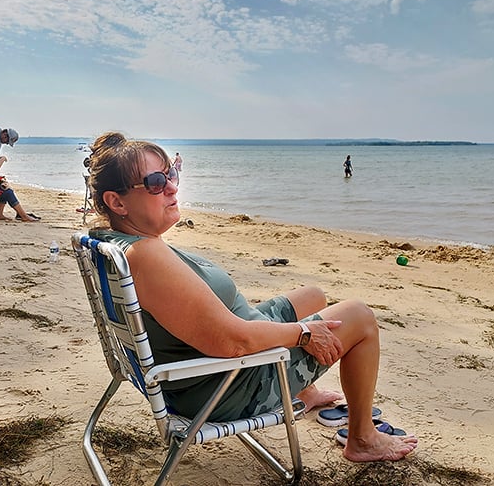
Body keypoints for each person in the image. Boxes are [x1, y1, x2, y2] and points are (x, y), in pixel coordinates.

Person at [86, 132, 417, 462]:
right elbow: (233, 343)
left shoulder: (113, 243)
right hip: (228, 385)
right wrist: (303, 335)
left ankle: (306, 391)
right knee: (359, 315)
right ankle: (362, 438)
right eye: (156, 181)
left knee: (314, 295)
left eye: (171, 173)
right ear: (117, 202)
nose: (172, 186)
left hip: (213, 358)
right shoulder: (145, 256)